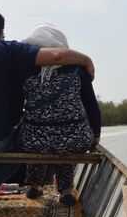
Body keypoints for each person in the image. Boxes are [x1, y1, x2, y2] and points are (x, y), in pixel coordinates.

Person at [0, 10, 95, 210]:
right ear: (1, 33)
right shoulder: (9, 49)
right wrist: (87, 61)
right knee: (24, 142)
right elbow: (58, 55)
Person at [16, 24, 101, 207]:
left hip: (34, 141)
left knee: (35, 134)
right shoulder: (79, 71)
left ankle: (34, 185)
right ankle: (66, 189)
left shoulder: (24, 72)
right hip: (75, 140)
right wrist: (96, 136)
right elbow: (92, 107)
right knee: (66, 137)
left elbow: (15, 107)